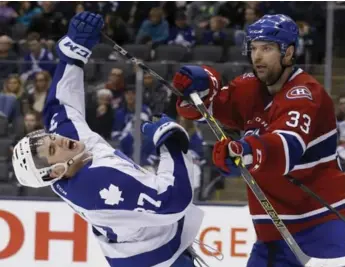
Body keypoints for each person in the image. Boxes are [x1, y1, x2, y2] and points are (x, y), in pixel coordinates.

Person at [12, 12, 205, 267]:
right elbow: (172, 201)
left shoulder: (68, 152)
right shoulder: (97, 184)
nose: (58, 139)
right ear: (56, 171)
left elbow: (58, 107)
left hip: (153, 246)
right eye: (52, 148)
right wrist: (171, 145)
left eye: (50, 137)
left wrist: (73, 52)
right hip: (156, 260)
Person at [172, 14, 345, 266]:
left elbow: (285, 148)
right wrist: (200, 86)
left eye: (267, 48)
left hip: (328, 220)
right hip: (276, 229)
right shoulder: (250, 86)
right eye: (253, 48)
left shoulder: (305, 95)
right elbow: (210, 106)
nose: (257, 57)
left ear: (288, 53)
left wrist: (246, 151)